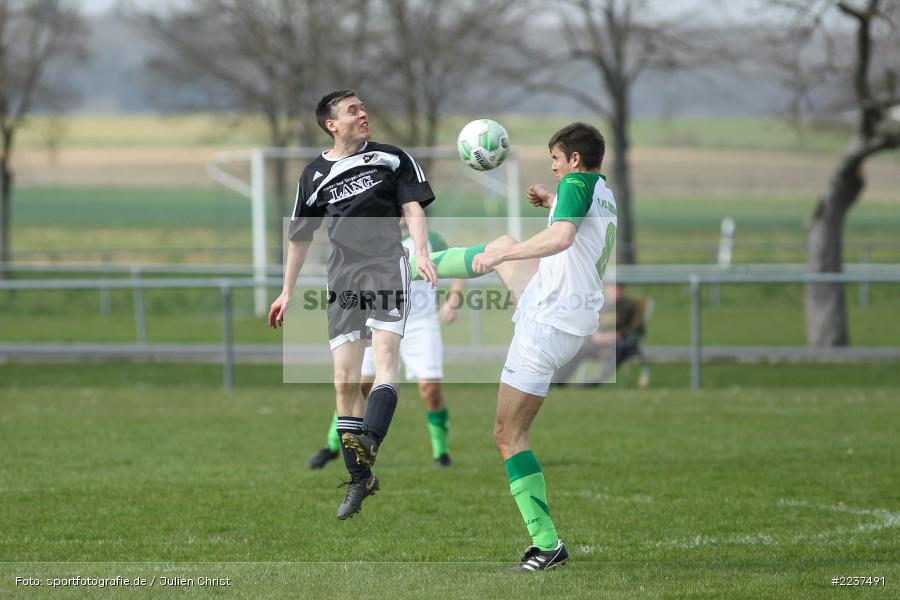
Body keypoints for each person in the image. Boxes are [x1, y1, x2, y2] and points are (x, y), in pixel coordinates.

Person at [268, 89, 437, 521]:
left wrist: (420, 251)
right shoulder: (314, 175)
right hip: (342, 278)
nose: (363, 114)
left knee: (384, 359)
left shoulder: (392, 158)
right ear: (331, 124)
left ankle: (373, 438)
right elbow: (299, 238)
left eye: (363, 107)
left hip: (385, 267)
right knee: (344, 382)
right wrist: (286, 290)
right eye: (352, 110)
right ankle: (360, 479)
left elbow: (413, 207)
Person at [470, 122, 617, 571]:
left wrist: (501, 260)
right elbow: (575, 223)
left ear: (574, 159)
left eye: (555, 158)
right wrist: (552, 202)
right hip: (567, 313)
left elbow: (562, 238)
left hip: (548, 322)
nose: (553, 168)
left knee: (507, 436)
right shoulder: (600, 189)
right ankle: (412, 265)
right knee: (501, 240)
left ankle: (547, 544)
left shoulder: (575, 182)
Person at [308, 225, 465, 470]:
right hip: (377, 319)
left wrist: (453, 299)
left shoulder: (429, 238)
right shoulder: (371, 237)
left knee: (430, 390)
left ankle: (441, 453)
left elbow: (457, 264)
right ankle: (331, 446)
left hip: (420, 324)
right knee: (357, 386)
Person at [551, 283, 644, 386]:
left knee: (618, 348)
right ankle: (557, 381)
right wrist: (595, 335)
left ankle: (594, 382)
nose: (615, 290)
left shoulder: (630, 306)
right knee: (578, 349)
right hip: (599, 343)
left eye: (618, 287)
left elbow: (637, 328)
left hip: (620, 344)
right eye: (613, 287)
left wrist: (617, 334)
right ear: (607, 289)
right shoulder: (600, 306)